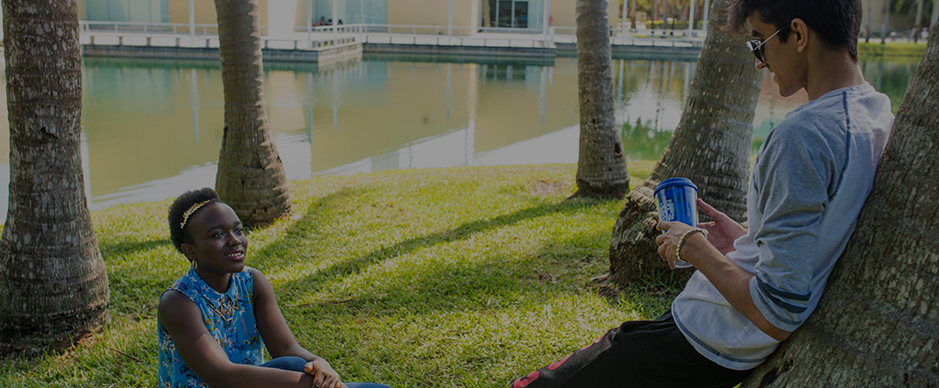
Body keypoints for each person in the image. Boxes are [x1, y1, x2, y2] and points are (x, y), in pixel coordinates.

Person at [507, 0, 894, 386]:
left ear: (798, 34)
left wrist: (694, 247)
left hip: (707, 339)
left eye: (760, 41)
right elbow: (811, 238)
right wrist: (742, 241)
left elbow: (777, 310)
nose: (760, 62)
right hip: (709, 331)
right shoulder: (876, 113)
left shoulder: (802, 136)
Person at [158, 188, 392, 388]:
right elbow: (222, 376)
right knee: (292, 369)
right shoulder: (179, 302)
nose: (234, 240)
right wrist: (310, 384)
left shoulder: (251, 282)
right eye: (217, 234)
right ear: (190, 250)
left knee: (293, 363)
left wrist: (320, 363)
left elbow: (285, 347)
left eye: (238, 230)